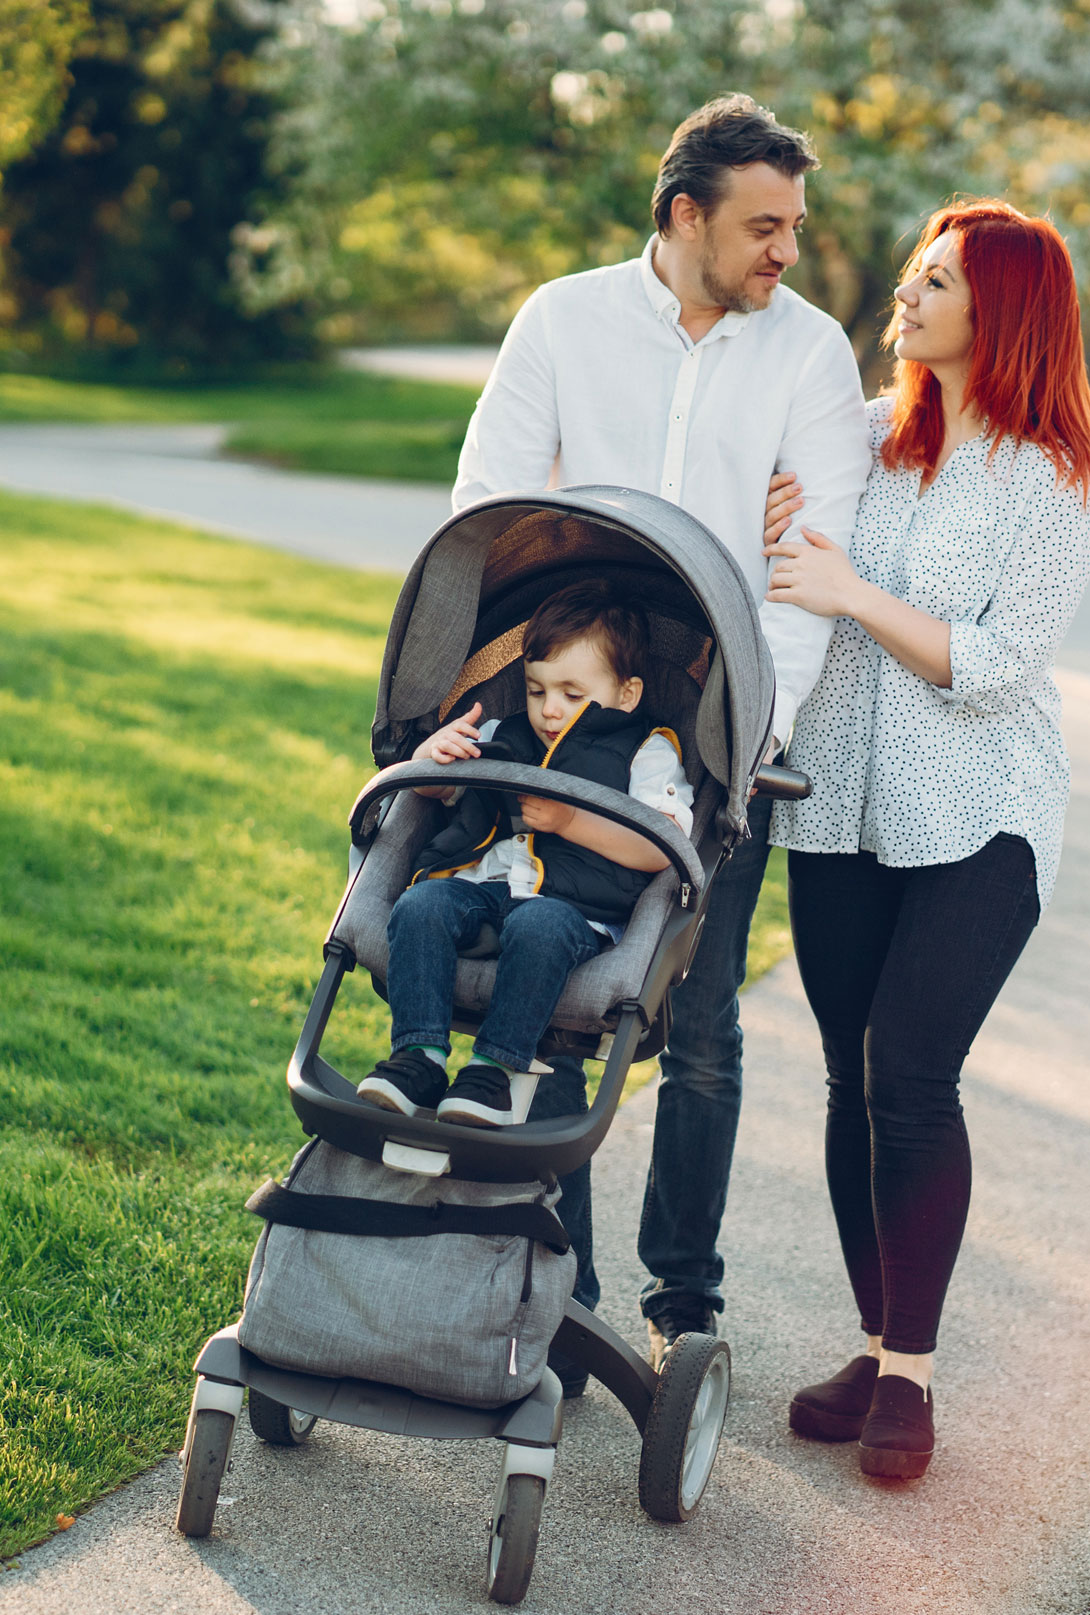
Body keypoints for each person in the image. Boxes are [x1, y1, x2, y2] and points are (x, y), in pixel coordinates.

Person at [454, 93, 870, 1367]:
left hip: (722, 719)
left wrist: (751, 734)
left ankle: (682, 1294)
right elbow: (494, 510)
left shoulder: (809, 353)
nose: (784, 251)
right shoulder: (563, 320)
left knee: (697, 1023)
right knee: (566, 984)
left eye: (793, 227)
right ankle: (559, 1284)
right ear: (684, 214)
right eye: (762, 225)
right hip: (561, 705)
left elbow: (807, 570)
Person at [760, 200, 1090, 1481]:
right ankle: (871, 1342)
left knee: (911, 1072)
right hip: (837, 805)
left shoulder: (1054, 477)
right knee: (849, 1078)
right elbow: (779, 532)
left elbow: (1001, 666)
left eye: (937, 280)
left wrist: (853, 591)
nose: (906, 294)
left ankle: (909, 1376)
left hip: (981, 815)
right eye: (915, 273)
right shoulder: (866, 439)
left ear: (1001, 311)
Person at [359, 582, 692, 1128]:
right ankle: (418, 1057)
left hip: (573, 910)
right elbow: (440, 794)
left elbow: (664, 847)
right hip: (484, 890)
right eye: (536, 691)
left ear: (627, 694)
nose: (549, 709)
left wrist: (571, 821)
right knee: (421, 905)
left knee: (538, 924)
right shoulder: (502, 733)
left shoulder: (647, 752)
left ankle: (494, 1069)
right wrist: (430, 761)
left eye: (571, 694)